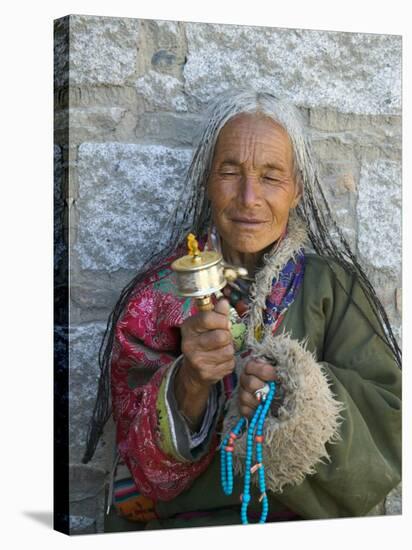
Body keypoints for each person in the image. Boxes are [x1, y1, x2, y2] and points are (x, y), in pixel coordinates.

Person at [82, 89, 401, 531]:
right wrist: (190, 383)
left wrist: (291, 392)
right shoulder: (156, 298)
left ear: (296, 190)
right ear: (208, 182)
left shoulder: (335, 289)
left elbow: (391, 424)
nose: (249, 197)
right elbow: (137, 465)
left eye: (271, 177)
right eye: (230, 172)